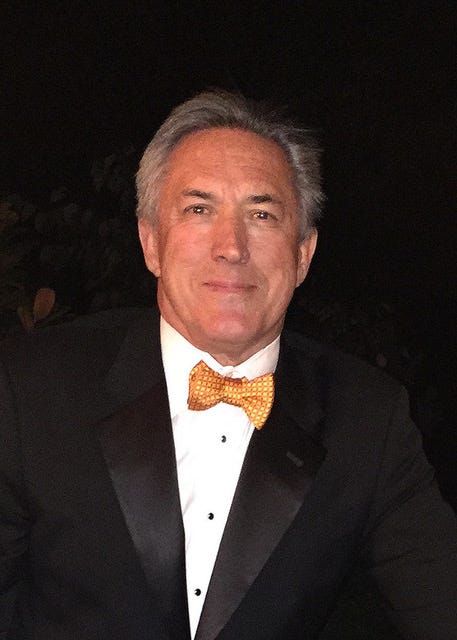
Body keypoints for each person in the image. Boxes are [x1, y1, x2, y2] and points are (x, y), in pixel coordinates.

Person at [1, 90, 456, 640]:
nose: (232, 247)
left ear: (303, 254)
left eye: (262, 215)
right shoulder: (31, 385)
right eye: (199, 209)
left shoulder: (367, 418)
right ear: (151, 242)